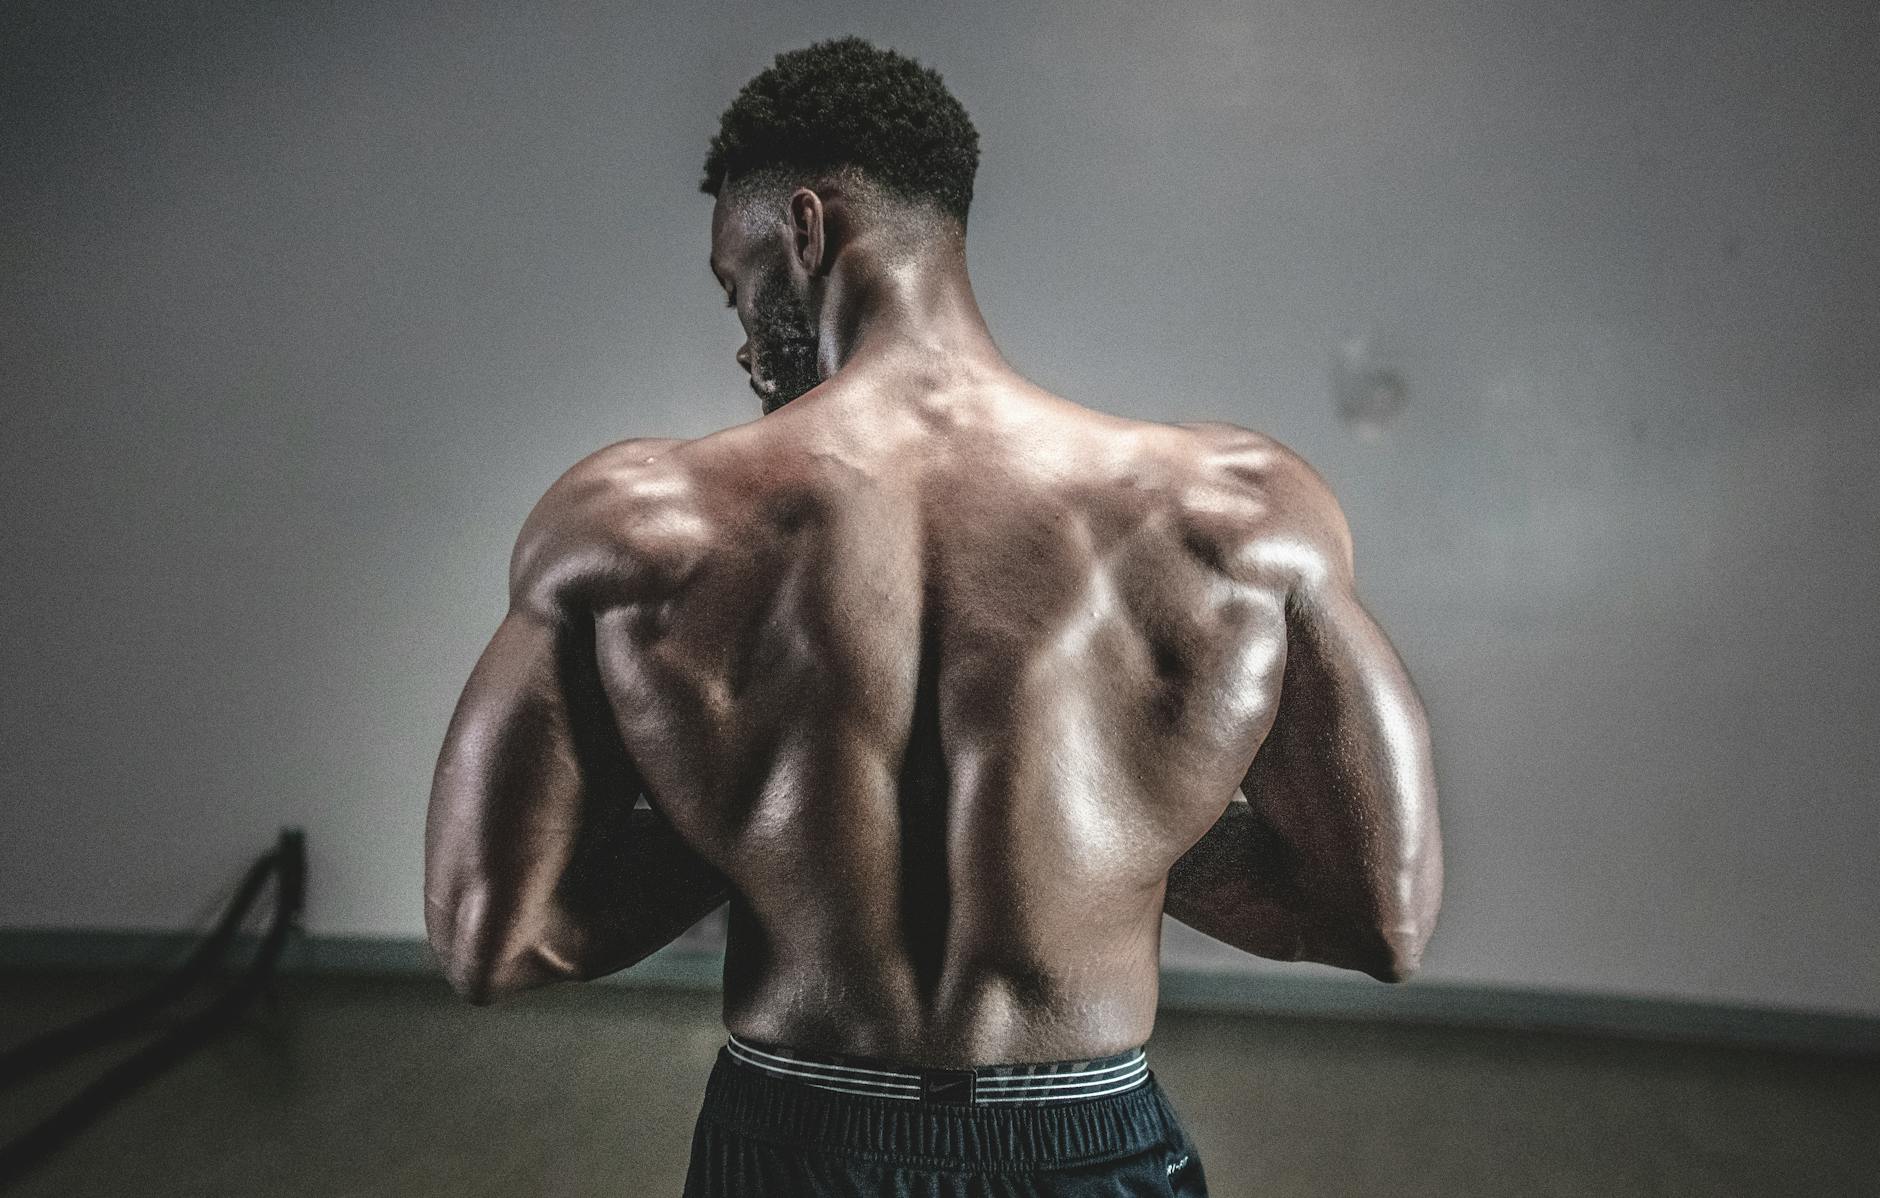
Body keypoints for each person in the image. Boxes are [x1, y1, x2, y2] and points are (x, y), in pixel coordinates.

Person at [423, 35, 1442, 1197]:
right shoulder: (1239, 511)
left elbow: (489, 936)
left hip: (792, 1139)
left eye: (737, 281)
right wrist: (1133, 815)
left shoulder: (631, 520)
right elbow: (1385, 919)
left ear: (806, 228)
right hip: (1082, 1139)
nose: (744, 340)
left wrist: (754, 805)